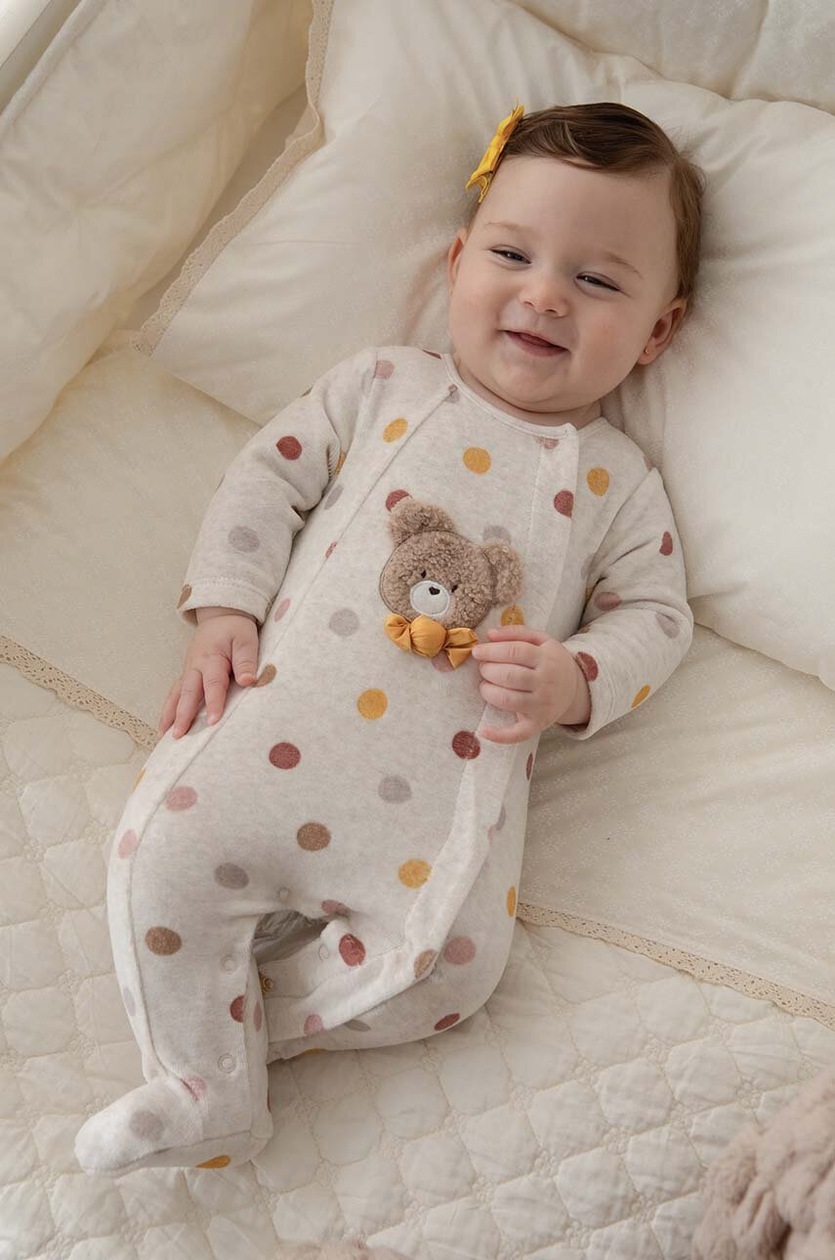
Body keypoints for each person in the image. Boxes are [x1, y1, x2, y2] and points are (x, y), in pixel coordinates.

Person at [75, 102, 703, 1177]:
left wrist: (575, 677)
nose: (545, 295)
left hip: (432, 822)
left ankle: (228, 1054)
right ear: (458, 263)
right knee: (153, 861)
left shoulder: (616, 481)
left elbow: (657, 618)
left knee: (451, 976)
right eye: (512, 255)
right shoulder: (383, 386)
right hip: (266, 743)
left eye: (598, 281)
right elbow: (265, 481)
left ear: (656, 332)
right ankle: (207, 1082)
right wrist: (224, 607)